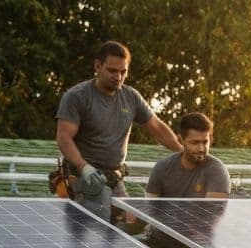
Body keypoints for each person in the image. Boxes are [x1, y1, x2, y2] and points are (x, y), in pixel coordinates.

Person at [55, 40, 182, 220]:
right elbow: (64, 138)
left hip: (114, 178)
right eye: (112, 71)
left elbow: (158, 128)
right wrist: (84, 167)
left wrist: (183, 152)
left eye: (123, 72)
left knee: (130, 225)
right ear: (97, 66)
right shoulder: (77, 97)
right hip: (84, 178)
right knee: (91, 229)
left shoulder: (131, 97)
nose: (119, 77)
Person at [145, 112, 231, 198]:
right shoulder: (163, 167)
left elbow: (213, 206)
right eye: (195, 142)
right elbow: (150, 203)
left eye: (205, 142)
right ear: (181, 140)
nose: (201, 149)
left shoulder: (217, 170)